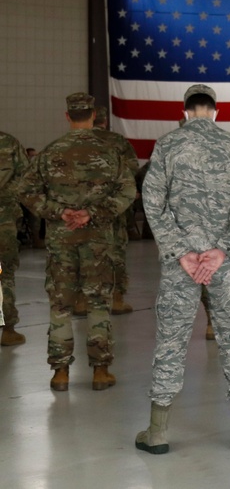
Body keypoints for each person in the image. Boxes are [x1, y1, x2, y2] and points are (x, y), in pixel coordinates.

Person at [135, 84, 230, 454]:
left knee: (171, 342)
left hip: (182, 266)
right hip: (222, 265)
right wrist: (223, 250)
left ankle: (157, 432)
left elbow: (152, 200)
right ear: (216, 111)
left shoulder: (166, 145)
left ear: (185, 111)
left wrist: (181, 251)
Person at [19, 92, 136, 390]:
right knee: (98, 302)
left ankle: (60, 373)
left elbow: (26, 191)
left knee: (60, 304)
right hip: (99, 240)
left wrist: (60, 212)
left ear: (68, 116)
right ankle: (100, 371)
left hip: (61, 239)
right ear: (94, 116)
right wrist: (92, 213)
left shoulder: (50, 152)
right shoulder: (111, 152)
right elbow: (126, 193)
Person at [92, 104, 140, 316]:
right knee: (116, 252)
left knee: (82, 253)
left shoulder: (71, 141)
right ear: (104, 121)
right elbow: (132, 167)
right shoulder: (117, 141)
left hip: (81, 208)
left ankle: (82, 301)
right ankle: (117, 299)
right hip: (113, 206)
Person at [0, 130, 29, 346]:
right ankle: (8, 330)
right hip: (4, 218)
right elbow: (26, 178)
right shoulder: (9, 142)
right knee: (4, 274)